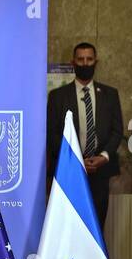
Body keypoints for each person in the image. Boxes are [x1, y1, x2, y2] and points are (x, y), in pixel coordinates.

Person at [46, 42, 123, 229]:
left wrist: (103, 157)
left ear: (96, 61)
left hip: (100, 173)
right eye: (80, 59)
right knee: (69, 227)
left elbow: (117, 130)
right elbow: (52, 133)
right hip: (69, 171)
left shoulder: (110, 94)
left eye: (89, 59)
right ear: (73, 62)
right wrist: (77, 159)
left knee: (96, 226)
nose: (85, 63)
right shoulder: (58, 96)